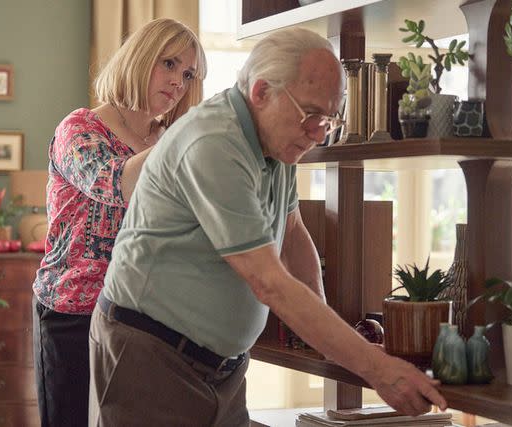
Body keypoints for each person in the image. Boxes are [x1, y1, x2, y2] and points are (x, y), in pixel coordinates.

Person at [88, 27, 447, 426]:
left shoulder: (277, 142)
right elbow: (269, 281)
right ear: (261, 93)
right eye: (311, 115)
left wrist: (328, 337)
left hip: (220, 366)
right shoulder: (213, 142)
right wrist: (377, 370)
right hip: (152, 355)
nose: (318, 134)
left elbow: (292, 234)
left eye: (329, 119)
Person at [31, 18, 206, 427]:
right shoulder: (78, 129)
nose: (178, 82)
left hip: (147, 322)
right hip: (72, 314)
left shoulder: (172, 138)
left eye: (188, 73)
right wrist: (182, 140)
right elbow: (115, 182)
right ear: (140, 58)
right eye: (168, 64)